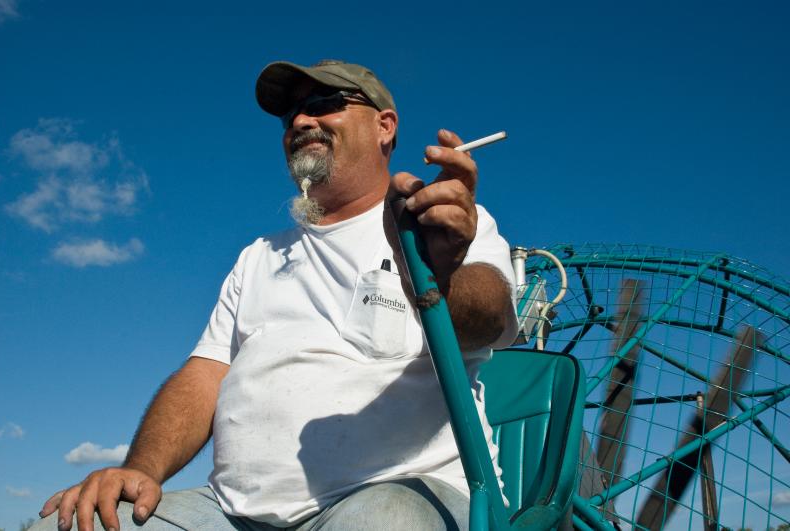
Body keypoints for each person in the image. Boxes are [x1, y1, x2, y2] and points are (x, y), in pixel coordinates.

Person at [34, 60, 518, 531]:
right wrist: (140, 470)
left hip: (397, 493)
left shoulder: (442, 224)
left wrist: (438, 271)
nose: (302, 120)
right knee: (75, 525)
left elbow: (487, 323)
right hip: (232, 513)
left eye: (325, 103)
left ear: (384, 127)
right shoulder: (258, 256)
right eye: (291, 115)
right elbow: (206, 373)